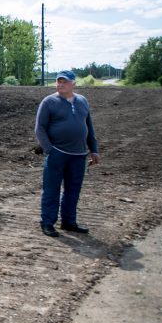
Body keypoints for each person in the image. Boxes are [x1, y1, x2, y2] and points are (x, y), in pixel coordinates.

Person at [34, 70, 101, 238]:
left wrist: (94, 149)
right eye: (58, 81)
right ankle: (48, 223)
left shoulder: (82, 101)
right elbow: (40, 128)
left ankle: (69, 222)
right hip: (57, 153)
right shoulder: (49, 102)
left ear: (73, 84)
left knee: (73, 190)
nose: (60, 84)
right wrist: (50, 150)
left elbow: (89, 127)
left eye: (64, 82)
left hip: (79, 155)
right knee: (51, 190)